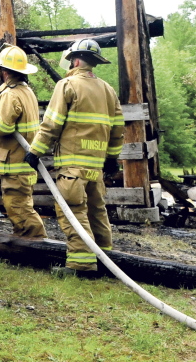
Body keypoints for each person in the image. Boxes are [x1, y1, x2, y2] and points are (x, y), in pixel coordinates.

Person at [24, 38, 124, 277]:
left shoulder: (67, 85)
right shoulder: (108, 90)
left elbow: (51, 124)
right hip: (95, 169)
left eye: (70, 61)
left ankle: (81, 266)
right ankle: (105, 261)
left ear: (76, 60)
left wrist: (35, 151)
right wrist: (111, 158)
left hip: (72, 168)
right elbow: (118, 128)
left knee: (73, 214)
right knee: (97, 213)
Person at [0, 45, 45, 238]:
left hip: (16, 163)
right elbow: (5, 109)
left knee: (18, 207)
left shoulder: (10, 94)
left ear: (4, 72)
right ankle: (24, 240)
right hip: (23, 162)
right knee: (20, 205)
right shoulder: (24, 91)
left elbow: (4, 126)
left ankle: (35, 242)